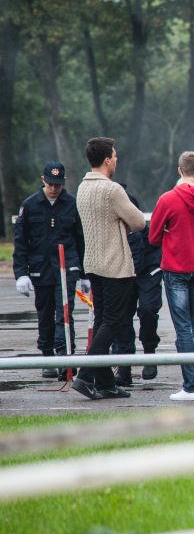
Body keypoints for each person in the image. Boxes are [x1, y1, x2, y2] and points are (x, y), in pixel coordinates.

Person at [73, 137, 146, 400]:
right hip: (115, 264)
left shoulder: (82, 187)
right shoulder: (112, 189)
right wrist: (123, 224)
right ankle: (85, 374)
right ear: (106, 160)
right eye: (114, 156)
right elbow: (138, 221)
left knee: (103, 320)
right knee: (113, 323)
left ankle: (105, 383)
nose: (116, 160)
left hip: (92, 262)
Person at [149, 151, 194, 401]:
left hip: (176, 267)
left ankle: (191, 386)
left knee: (184, 326)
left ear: (180, 170)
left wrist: (170, 230)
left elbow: (153, 237)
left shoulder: (168, 199)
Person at [13, 161, 86, 379]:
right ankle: (47, 355)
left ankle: (65, 356)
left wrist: (84, 273)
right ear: (43, 180)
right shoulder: (30, 205)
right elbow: (21, 241)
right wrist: (21, 273)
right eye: (51, 184)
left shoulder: (72, 204)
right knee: (45, 313)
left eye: (58, 184)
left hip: (67, 267)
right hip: (40, 267)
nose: (54, 188)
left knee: (64, 313)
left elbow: (80, 239)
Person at [111, 186, 163, 385]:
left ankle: (149, 353)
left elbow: (152, 246)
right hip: (122, 271)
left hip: (147, 268)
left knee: (149, 310)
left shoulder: (142, 226)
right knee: (122, 318)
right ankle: (124, 368)